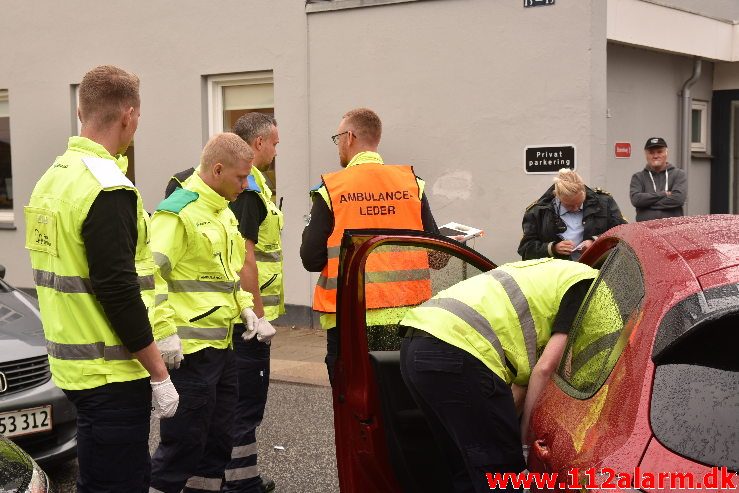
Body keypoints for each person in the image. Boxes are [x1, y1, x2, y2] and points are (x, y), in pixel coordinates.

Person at [24, 65, 178, 492]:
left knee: (97, 477)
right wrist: (159, 372)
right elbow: (117, 290)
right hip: (111, 371)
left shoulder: (52, 179)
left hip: (72, 367)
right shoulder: (109, 188)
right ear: (129, 115)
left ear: (81, 111)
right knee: (119, 482)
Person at [399, 259, 598, 492]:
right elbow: (545, 369)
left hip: (418, 344)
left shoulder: (553, 274)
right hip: (459, 351)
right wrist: (524, 445)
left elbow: (511, 394)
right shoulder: (588, 285)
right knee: (503, 475)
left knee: (467, 469)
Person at [148, 133, 257, 493]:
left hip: (222, 347)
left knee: (217, 442)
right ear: (217, 169)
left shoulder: (222, 211)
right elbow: (149, 276)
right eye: (241, 177)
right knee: (183, 445)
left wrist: (246, 308)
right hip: (189, 354)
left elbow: (226, 273)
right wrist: (163, 332)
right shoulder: (178, 213)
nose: (246, 185)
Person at [300, 107, 439, 385]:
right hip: (405, 320)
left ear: (349, 136)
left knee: (352, 406)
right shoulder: (412, 185)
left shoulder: (332, 189)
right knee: (397, 406)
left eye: (337, 137)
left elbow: (311, 259)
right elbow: (437, 257)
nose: (338, 144)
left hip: (349, 318)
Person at [223, 113, 282, 493]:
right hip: (248, 322)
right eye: (274, 143)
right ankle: (241, 485)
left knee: (237, 404)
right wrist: (256, 318)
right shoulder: (248, 191)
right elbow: (245, 258)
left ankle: (229, 480)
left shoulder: (253, 183)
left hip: (245, 316)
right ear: (258, 143)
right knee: (245, 405)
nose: (277, 151)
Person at [518, 168, 626, 261]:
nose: (576, 208)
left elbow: (623, 232)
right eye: (569, 205)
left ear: (584, 191)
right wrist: (553, 248)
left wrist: (595, 241)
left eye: (579, 204)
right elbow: (526, 249)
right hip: (557, 276)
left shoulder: (604, 202)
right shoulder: (537, 211)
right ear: (557, 196)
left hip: (597, 270)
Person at [630, 137, 687, 221]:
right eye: (651, 152)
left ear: (666, 153)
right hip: (645, 229)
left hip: (672, 229)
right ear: (646, 155)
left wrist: (646, 204)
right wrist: (663, 194)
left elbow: (678, 199)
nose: (655, 156)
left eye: (659, 152)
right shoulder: (638, 177)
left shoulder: (679, 174)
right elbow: (636, 200)